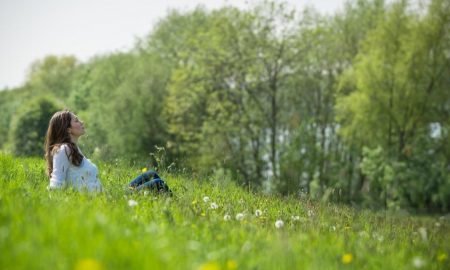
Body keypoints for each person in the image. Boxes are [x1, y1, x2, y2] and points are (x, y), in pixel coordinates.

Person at [44, 110, 171, 193]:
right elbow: (56, 182)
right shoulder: (62, 150)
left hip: (107, 194)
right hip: (102, 200)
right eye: (76, 120)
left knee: (151, 174)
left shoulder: (74, 148)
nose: (81, 122)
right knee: (158, 183)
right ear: (68, 130)